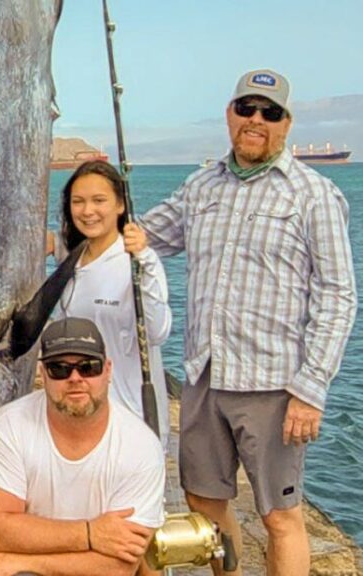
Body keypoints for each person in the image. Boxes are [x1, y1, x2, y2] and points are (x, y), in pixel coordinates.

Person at [140, 69, 357, 575]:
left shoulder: (314, 195)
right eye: (247, 108)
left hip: (274, 386)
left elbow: (338, 296)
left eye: (270, 112)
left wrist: (311, 389)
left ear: (287, 123)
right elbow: (145, 238)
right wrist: (66, 240)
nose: (256, 120)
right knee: (204, 501)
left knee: (280, 515)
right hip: (205, 376)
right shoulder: (201, 185)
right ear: (229, 115)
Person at [0, 317, 165, 576]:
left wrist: (24, 562)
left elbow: (120, 567)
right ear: (43, 374)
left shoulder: (140, 447)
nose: (75, 378)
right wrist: (91, 534)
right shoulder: (9, 425)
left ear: (108, 370)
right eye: (59, 369)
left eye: (88, 367)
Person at [49, 160, 172, 439]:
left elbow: (157, 332)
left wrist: (145, 260)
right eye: (78, 201)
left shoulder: (138, 261)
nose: (88, 211)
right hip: (80, 416)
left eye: (99, 200)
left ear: (120, 205)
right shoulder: (73, 258)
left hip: (130, 420)